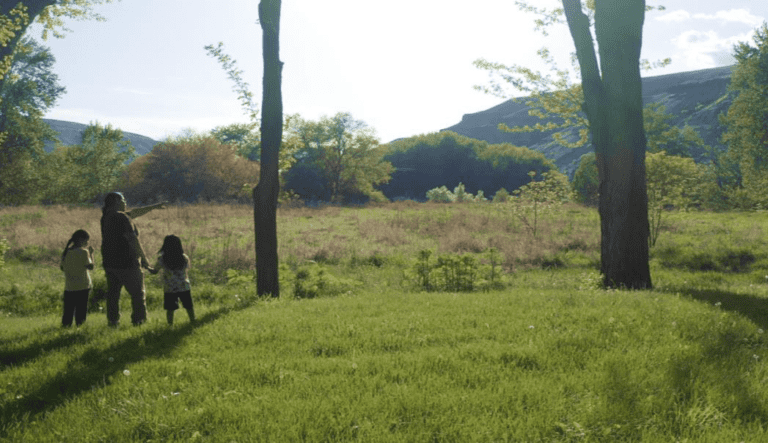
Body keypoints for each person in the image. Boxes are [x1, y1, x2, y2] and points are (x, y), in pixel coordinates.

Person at [100, 192, 165, 327]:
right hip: (127, 263)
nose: (126, 202)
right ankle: (139, 321)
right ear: (117, 201)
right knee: (138, 295)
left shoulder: (107, 217)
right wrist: (144, 259)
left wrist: (153, 207)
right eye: (124, 200)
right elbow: (132, 239)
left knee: (113, 295)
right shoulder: (122, 218)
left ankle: (113, 322)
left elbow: (133, 213)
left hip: (110, 263)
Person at [148, 235, 195, 325]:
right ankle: (193, 321)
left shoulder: (162, 259)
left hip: (170, 288)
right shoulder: (184, 258)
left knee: (170, 309)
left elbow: (154, 271)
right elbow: (187, 268)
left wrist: (147, 267)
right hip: (184, 286)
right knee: (189, 306)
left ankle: (170, 325)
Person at [60, 229, 94, 327]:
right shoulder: (84, 252)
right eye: (86, 240)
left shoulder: (66, 252)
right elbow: (91, 266)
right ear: (81, 240)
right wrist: (91, 253)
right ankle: (80, 327)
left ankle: (66, 327)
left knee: (68, 310)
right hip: (83, 285)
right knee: (81, 310)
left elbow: (62, 268)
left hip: (69, 286)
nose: (87, 243)